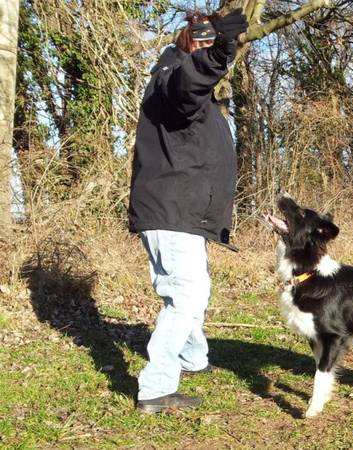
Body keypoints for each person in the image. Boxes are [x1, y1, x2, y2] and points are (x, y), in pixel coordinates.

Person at [128, 9, 248, 414]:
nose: (209, 45)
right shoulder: (174, 77)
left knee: (192, 290)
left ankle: (192, 358)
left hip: (179, 210)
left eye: (214, 40)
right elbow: (188, 84)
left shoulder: (175, 81)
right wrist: (219, 53)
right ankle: (156, 389)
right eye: (203, 40)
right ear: (189, 42)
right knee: (186, 294)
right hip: (173, 209)